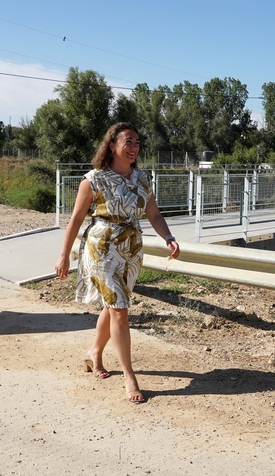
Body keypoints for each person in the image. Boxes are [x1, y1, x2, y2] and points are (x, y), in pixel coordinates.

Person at [55, 123, 181, 404]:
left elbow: (154, 214)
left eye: (137, 141)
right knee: (120, 309)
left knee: (114, 307)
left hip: (131, 249)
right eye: (128, 141)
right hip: (101, 247)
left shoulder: (142, 178)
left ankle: (94, 353)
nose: (134, 146)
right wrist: (64, 255)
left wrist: (168, 237)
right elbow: (76, 218)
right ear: (112, 145)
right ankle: (129, 376)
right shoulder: (93, 179)